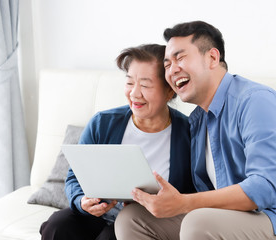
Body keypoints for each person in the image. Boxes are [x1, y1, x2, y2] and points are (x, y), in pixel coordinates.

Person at [114, 21, 276, 240]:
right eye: (167, 64)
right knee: (132, 218)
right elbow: (207, 194)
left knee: (198, 222)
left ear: (212, 58)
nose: (172, 70)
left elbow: (264, 188)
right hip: (232, 218)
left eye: (180, 58)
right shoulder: (198, 120)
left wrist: (183, 203)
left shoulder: (255, 101)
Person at [39, 44, 195, 240]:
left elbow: (196, 194)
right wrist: (82, 201)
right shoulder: (102, 123)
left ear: (169, 92)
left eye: (145, 85)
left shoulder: (188, 133)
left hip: (144, 222)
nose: (134, 93)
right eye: (130, 83)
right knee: (57, 226)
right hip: (100, 212)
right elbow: (74, 178)